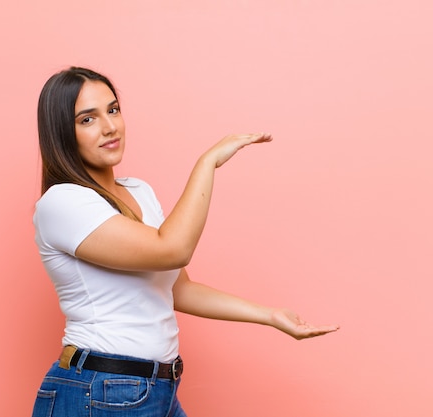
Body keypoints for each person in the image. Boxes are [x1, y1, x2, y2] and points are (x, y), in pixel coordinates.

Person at [31, 66, 339, 417]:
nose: (109, 127)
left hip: (154, 388)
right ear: (61, 133)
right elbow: (172, 249)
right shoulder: (63, 202)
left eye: (113, 110)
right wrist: (206, 164)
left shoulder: (138, 192)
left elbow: (178, 288)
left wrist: (270, 316)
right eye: (87, 119)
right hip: (101, 389)